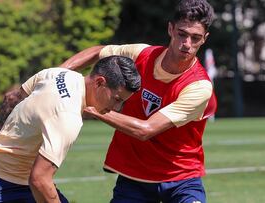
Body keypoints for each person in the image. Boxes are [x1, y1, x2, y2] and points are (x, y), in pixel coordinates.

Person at [60, 0, 217, 202]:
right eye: (182, 34)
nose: (187, 43)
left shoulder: (199, 86)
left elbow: (145, 130)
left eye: (195, 38)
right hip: (135, 177)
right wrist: (55, 74)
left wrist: (91, 107)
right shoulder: (142, 53)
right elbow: (97, 52)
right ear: (170, 29)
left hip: (181, 178)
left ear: (204, 39)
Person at [0, 55, 141, 203]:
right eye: (117, 99)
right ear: (99, 82)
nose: (117, 108)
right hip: (2, 188)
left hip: (14, 180)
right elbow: (40, 179)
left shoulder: (59, 74)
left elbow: (11, 98)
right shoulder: (68, 116)